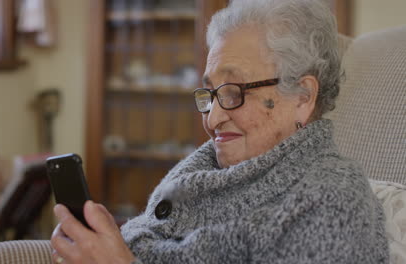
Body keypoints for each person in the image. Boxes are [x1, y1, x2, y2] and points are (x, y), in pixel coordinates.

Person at [50, 0, 389, 263]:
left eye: (234, 92)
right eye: (211, 93)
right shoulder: (205, 167)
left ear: (302, 97)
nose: (212, 120)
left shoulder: (333, 200)